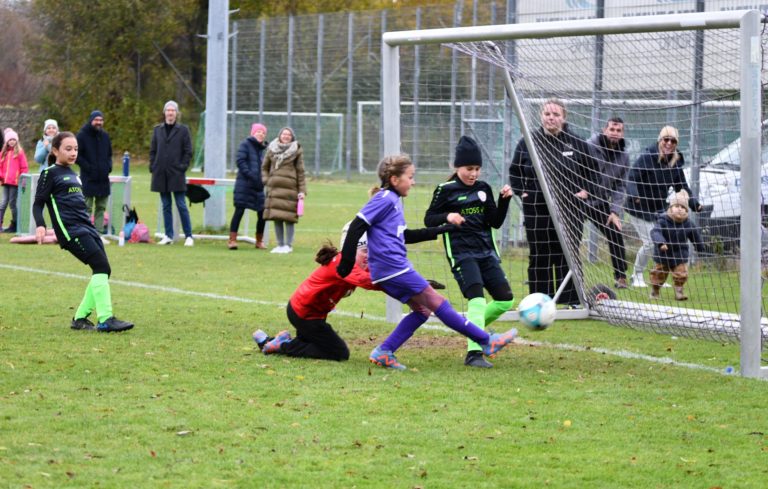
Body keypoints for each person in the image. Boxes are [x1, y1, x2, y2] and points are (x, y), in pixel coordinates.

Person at [337, 154, 518, 370]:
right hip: (393, 268)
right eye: (410, 177)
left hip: (389, 270)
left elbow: (407, 236)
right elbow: (357, 225)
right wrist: (346, 262)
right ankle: (486, 341)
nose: (413, 182)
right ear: (395, 179)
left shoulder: (393, 201)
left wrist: (443, 229)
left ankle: (384, 351)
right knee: (438, 302)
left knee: (422, 311)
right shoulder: (384, 198)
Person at [424, 135, 515, 368]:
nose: (473, 174)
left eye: (477, 169)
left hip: (486, 252)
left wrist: (504, 201)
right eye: (468, 169)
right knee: (477, 299)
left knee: (505, 300)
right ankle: (474, 353)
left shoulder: (484, 189)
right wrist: (448, 216)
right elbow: (429, 219)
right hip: (462, 254)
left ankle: (472, 327)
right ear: (457, 167)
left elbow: (495, 222)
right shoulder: (445, 190)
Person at [33, 132, 133, 332]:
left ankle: (79, 318)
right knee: (101, 266)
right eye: (68, 149)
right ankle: (105, 319)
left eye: (76, 149)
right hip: (70, 231)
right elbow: (38, 203)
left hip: (87, 228)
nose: (73, 153)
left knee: (103, 270)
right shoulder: (49, 173)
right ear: (55, 150)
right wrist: (40, 225)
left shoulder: (73, 174)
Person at [509, 98, 601, 306]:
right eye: (547, 114)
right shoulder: (528, 141)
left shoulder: (576, 143)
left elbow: (594, 172)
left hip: (570, 210)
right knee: (540, 254)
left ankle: (572, 300)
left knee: (567, 254)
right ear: (541, 116)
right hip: (536, 209)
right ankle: (538, 301)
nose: (551, 118)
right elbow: (515, 171)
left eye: (556, 114)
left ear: (564, 118)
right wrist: (522, 192)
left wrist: (586, 191)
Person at [255, 230, 376, 361]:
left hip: (307, 311)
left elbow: (373, 274)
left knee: (312, 342)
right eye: (365, 251)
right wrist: (391, 282)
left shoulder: (353, 263)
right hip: (305, 314)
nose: (368, 255)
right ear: (350, 249)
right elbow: (368, 281)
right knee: (339, 353)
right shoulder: (342, 264)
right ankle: (283, 346)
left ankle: (267, 342)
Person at [625, 126, 702, 288]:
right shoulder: (647, 157)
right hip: (638, 207)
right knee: (650, 243)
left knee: (664, 242)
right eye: (666, 139)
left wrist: (695, 204)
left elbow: (682, 187)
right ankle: (636, 275)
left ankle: (659, 278)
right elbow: (631, 177)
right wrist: (635, 196)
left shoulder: (675, 163)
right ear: (660, 140)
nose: (669, 143)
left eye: (673, 141)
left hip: (658, 209)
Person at [586, 117, 630, 289]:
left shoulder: (624, 157)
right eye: (612, 129)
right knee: (566, 235)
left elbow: (620, 186)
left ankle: (621, 277)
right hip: (578, 198)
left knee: (615, 231)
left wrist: (615, 211)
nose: (615, 133)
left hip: (599, 202)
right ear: (604, 130)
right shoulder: (589, 146)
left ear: (622, 134)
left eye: (618, 130)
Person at [150, 100, 194, 246]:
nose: (170, 113)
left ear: (176, 113)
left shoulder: (183, 130)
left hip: (177, 174)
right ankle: (168, 235)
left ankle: (189, 236)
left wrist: (182, 166)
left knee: (181, 204)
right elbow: (153, 150)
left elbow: (188, 151)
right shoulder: (157, 130)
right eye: (168, 110)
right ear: (164, 113)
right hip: (161, 173)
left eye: (173, 110)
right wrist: (153, 166)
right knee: (166, 205)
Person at [649, 191, 707, 301]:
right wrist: (661, 243)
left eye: (683, 207)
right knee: (658, 274)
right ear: (671, 208)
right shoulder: (662, 220)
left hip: (680, 254)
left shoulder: (688, 223)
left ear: (686, 210)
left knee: (681, 274)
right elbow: (655, 232)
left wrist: (700, 247)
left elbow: (695, 235)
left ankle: (679, 292)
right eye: (676, 206)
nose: (680, 209)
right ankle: (655, 291)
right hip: (663, 254)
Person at [261, 127, 306, 254]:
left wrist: (302, 191)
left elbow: (301, 172)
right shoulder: (271, 149)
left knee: (289, 218)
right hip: (274, 190)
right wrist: (267, 180)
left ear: (292, 137)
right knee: (277, 217)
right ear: (279, 135)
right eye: (284, 134)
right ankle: (280, 245)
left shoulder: (296, 151)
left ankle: (288, 245)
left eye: (289, 135)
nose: (286, 136)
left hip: (290, 190)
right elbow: (264, 167)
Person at [228, 123, 268, 250]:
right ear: (252, 133)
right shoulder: (245, 144)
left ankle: (259, 241)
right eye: (258, 131)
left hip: (258, 186)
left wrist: (263, 179)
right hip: (244, 185)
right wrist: (250, 175)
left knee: (262, 213)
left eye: (263, 132)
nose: (261, 134)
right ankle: (232, 240)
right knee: (239, 211)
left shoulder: (262, 149)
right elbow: (240, 161)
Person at [76, 110, 113, 243]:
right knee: (87, 207)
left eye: (101, 120)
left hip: (103, 178)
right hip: (88, 178)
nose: (99, 122)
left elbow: (109, 154)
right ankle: (85, 234)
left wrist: (108, 167)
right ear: (91, 120)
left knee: (101, 207)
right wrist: (89, 168)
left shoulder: (105, 136)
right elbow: (77, 156)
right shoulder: (82, 136)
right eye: (96, 120)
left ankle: (98, 234)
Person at [0, 129, 28, 233]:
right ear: (6, 141)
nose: (12, 141)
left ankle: (15, 224)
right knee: (3, 203)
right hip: (5, 182)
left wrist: (22, 179)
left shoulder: (20, 153)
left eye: (14, 139)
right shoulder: (3, 153)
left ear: (16, 140)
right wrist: (1, 175)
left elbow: (24, 167)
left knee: (12, 204)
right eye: (10, 139)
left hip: (15, 183)